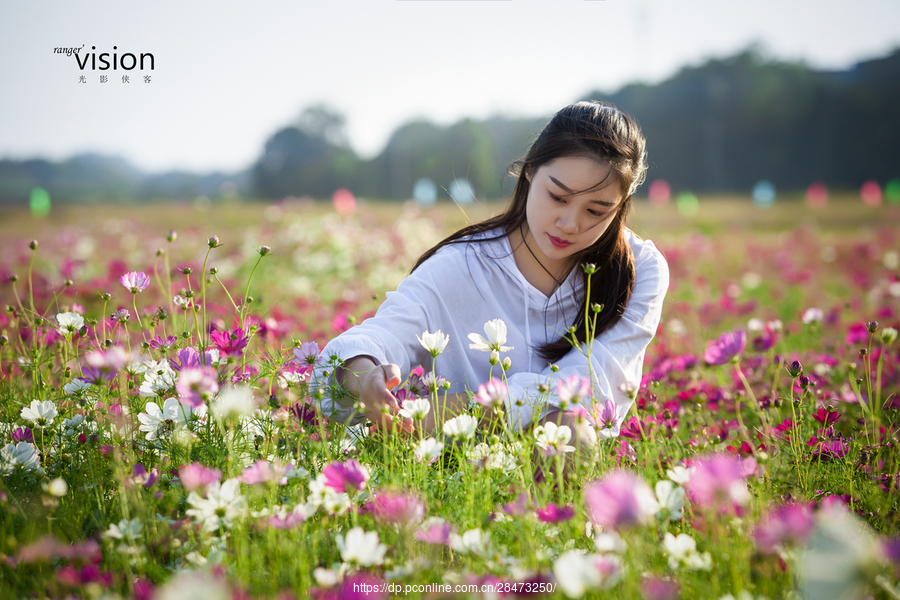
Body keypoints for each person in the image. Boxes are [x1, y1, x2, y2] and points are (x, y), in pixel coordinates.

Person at [313, 100, 668, 450]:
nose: (570, 223)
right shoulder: (461, 264)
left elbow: (589, 387)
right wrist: (365, 375)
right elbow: (383, 335)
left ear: (621, 206)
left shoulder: (641, 270)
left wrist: (457, 412)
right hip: (449, 457)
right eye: (558, 197)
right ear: (530, 170)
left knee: (572, 434)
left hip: (530, 452)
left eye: (596, 210)